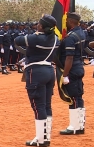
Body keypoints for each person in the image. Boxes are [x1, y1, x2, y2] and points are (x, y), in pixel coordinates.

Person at [14, 14, 58, 146]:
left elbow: (17, 40)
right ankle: (46, 137)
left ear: (42, 26)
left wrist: (35, 34)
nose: (36, 25)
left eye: (39, 24)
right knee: (46, 105)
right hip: (50, 71)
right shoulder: (55, 38)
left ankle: (40, 140)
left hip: (36, 72)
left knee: (38, 107)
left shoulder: (36, 38)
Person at [58, 12, 86, 135]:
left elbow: (69, 58)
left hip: (72, 70)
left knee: (73, 98)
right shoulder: (81, 33)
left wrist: (65, 75)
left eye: (66, 20)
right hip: (79, 67)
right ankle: (80, 125)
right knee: (78, 97)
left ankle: (74, 126)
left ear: (70, 21)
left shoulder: (70, 37)